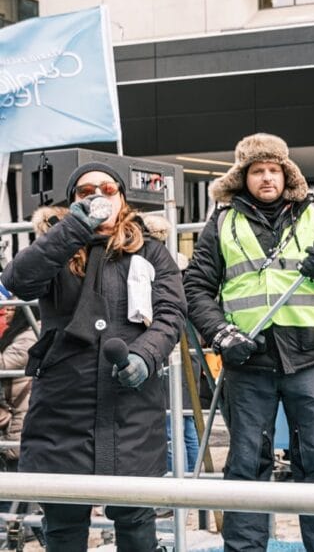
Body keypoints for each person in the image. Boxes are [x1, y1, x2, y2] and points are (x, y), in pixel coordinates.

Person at [184, 133, 314, 552]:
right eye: (257, 171)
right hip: (249, 360)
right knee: (246, 463)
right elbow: (195, 287)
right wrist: (222, 334)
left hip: (311, 358)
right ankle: (244, 549)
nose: (266, 178)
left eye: (273, 170)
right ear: (243, 177)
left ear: (286, 173)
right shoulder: (222, 221)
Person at [0, 162, 185, 551]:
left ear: (122, 198)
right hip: (62, 410)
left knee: (136, 522)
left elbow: (170, 315)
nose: (97, 195)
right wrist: (72, 230)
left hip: (130, 410)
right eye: (85, 192)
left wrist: (145, 357)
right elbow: (18, 280)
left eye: (106, 188)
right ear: (72, 203)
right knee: (64, 524)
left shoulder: (152, 252)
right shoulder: (56, 247)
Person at [0, 287, 36, 473]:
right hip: (12, 410)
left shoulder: (30, 336)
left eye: (12, 309)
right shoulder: (19, 334)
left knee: (15, 477)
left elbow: (4, 364)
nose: (6, 312)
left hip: (19, 414)